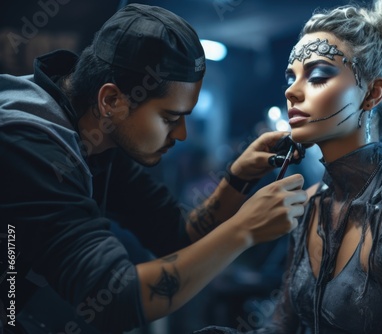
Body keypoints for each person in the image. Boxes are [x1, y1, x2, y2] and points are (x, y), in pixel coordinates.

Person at [0, 4, 308, 333]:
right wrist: (245, 230)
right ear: (112, 100)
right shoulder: (28, 145)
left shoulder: (98, 134)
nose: (181, 134)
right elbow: (114, 299)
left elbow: (175, 237)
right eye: (169, 118)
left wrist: (238, 177)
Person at [194, 0, 382, 333]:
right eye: (291, 77)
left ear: (372, 94)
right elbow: (282, 325)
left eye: (317, 76)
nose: (291, 90)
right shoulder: (310, 205)